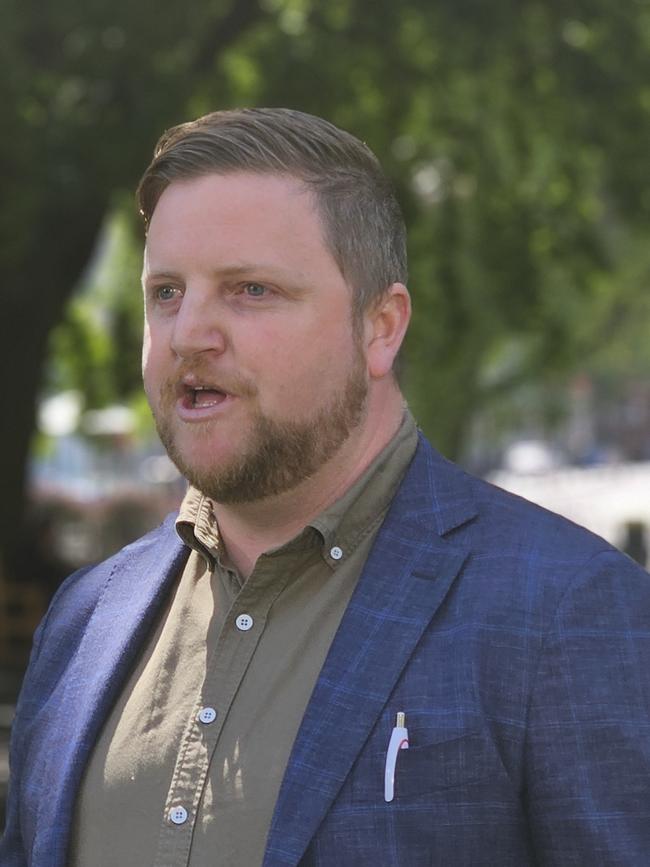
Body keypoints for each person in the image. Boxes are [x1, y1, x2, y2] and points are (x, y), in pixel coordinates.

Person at [2, 108, 650, 867]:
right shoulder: (84, 621)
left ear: (381, 327)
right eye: (167, 292)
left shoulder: (564, 611)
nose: (189, 333)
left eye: (250, 290)